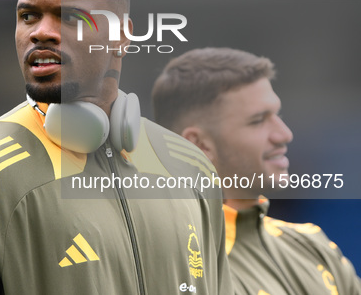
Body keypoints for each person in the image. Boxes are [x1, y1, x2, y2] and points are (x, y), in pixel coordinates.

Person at [0, 0, 233, 294]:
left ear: (121, 37)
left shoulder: (192, 168)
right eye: (28, 16)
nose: (41, 32)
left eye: (69, 18)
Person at [152, 47, 361, 294]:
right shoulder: (164, 263)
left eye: (277, 114)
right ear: (198, 145)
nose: (284, 134)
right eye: (258, 120)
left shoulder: (313, 246)